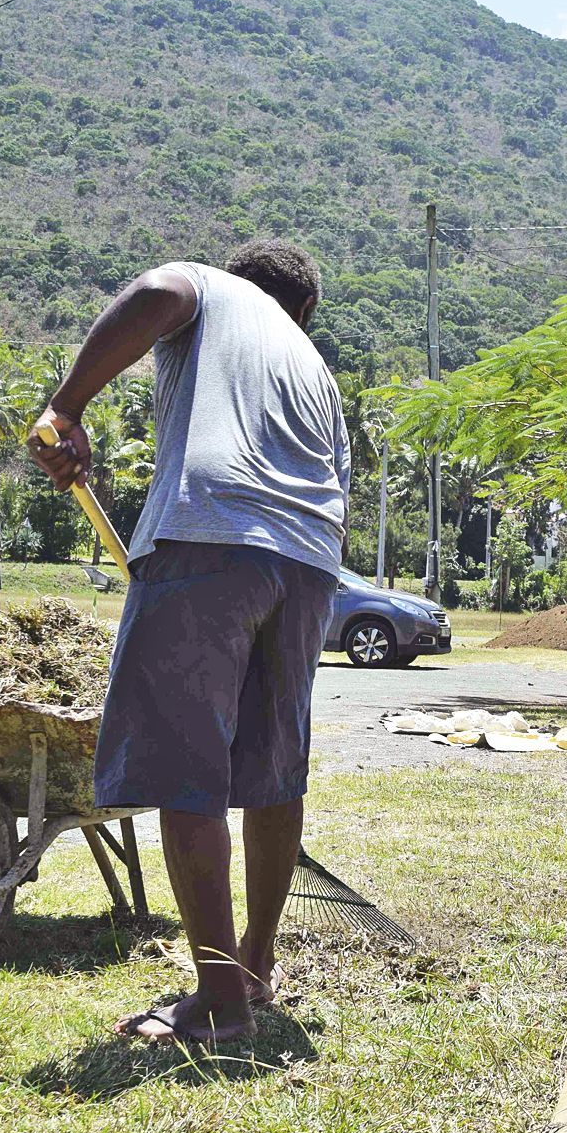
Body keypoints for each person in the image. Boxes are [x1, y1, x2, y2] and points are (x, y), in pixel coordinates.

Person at [29, 240, 349, 1045]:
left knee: (186, 768)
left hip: (210, 538)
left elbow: (153, 289)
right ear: (305, 311)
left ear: (242, 283)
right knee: (275, 772)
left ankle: (218, 1000)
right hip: (309, 562)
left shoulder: (212, 289)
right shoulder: (316, 369)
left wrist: (65, 408)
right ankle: (253, 967)